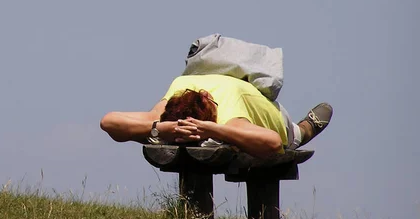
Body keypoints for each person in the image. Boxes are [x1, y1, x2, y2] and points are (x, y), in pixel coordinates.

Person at [100, 74, 333, 159]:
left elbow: (272, 143)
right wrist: (160, 128)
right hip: (217, 98)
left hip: (275, 117)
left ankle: (305, 129)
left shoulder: (229, 112)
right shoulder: (179, 89)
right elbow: (108, 121)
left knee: (293, 136)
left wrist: (213, 130)